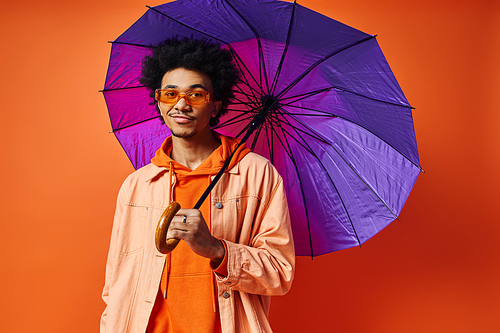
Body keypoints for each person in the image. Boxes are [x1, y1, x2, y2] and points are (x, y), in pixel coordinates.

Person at [100, 38, 295, 333]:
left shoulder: (257, 174)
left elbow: (279, 274)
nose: (181, 104)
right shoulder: (137, 185)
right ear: (158, 101)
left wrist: (217, 249)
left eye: (196, 94)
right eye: (170, 94)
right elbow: (115, 282)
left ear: (215, 105)